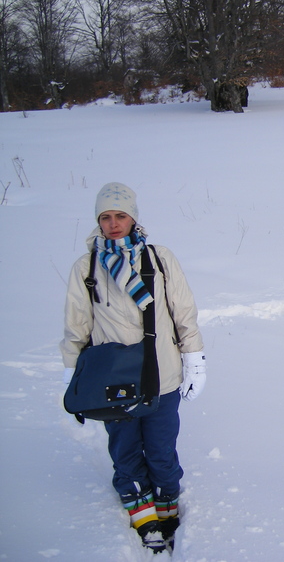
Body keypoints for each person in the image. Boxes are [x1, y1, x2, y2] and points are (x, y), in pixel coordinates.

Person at [60, 182, 206, 554]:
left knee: (160, 445)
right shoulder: (88, 266)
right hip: (113, 380)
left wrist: (194, 359)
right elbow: (77, 324)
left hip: (163, 374)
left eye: (120, 215)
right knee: (124, 446)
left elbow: (183, 312)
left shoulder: (158, 259)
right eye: (105, 217)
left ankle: (166, 496)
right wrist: (72, 375)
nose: (113, 223)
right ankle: (138, 502)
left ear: (133, 218)